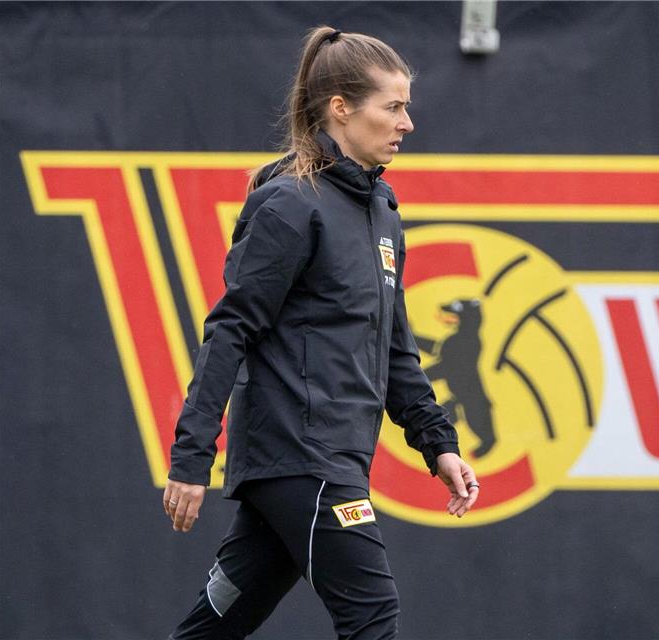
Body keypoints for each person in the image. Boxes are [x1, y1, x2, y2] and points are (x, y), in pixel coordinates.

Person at [163, 26, 479, 639]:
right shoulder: (289, 204)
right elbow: (230, 331)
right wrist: (191, 458)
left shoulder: (382, 211)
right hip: (304, 461)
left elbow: (395, 351)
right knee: (372, 613)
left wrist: (438, 444)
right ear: (341, 108)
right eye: (392, 107)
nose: (407, 122)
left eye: (405, 106)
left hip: (321, 463)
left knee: (214, 627)